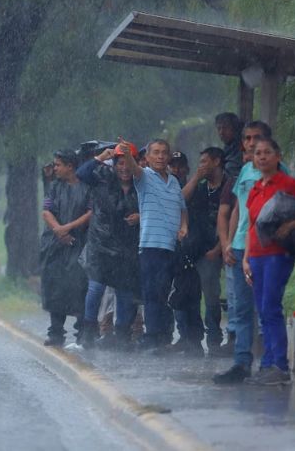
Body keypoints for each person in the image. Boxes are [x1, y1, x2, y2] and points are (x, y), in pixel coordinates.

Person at [242, 137, 295, 385]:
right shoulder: (254, 188)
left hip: (277, 254)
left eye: (267, 152)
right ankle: (267, 364)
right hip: (255, 255)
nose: (262, 156)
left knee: (271, 307)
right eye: (257, 153)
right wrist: (245, 258)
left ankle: (280, 365)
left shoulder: (288, 184)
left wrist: (290, 225)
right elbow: (250, 226)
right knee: (263, 310)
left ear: (278, 156)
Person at [213, 120, 273, 384]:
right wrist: (228, 243)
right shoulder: (246, 172)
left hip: (266, 249)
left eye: (257, 138)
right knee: (240, 309)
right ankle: (241, 364)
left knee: (267, 308)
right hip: (239, 248)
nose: (251, 143)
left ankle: (272, 363)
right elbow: (237, 209)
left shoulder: (279, 173)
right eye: (247, 139)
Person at [119, 138, 188, 349]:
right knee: (151, 293)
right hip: (151, 245)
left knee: (165, 292)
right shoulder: (145, 176)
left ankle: (162, 335)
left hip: (171, 245)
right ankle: (151, 338)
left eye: (164, 152)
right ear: (147, 157)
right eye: (155, 152)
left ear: (168, 156)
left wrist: (184, 227)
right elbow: (133, 168)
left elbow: (182, 208)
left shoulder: (175, 182)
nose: (160, 156)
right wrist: (128, 154)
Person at [76, 142, 141, 349]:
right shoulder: (102, 178)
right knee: (95, 287)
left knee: (124, 291)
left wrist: (140, 217)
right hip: (100, 244)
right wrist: (101, 157)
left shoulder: (142, 184)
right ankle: (88, 331)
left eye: (127, 163)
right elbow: (82, 173)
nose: (123, 168)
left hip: (127, 246)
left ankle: (122, 334)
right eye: (119, 163)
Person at [39, 149, 93, 347]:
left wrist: (68, 228)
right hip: (55, 245)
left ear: (70, 166)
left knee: (80, 285)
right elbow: (46, 211)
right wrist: (58, 230)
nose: (55, 168)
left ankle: (82, 331)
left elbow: (90, 212)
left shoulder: (87, 188)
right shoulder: (54, 187)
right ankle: (56, 331)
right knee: (55, 284)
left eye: (58, 165)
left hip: (79, 243)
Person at [180, 147, 229, 354]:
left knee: (212, 295)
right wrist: (195, 179)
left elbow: (231, 219)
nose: (201, 166)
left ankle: (215, 338)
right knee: (193, 294)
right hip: (198, 249)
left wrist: (219, 248)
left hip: (220, 246)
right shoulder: (200, 188)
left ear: (217, 162)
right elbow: (179, 201)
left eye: (204, 162)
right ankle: (194, 338)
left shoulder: (229, 185)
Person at [215, 112, 244, 179]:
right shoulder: (227, 149)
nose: (221, 132)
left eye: (225, 128)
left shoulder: (242, 148)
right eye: (219, 128)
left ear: (235, 128)